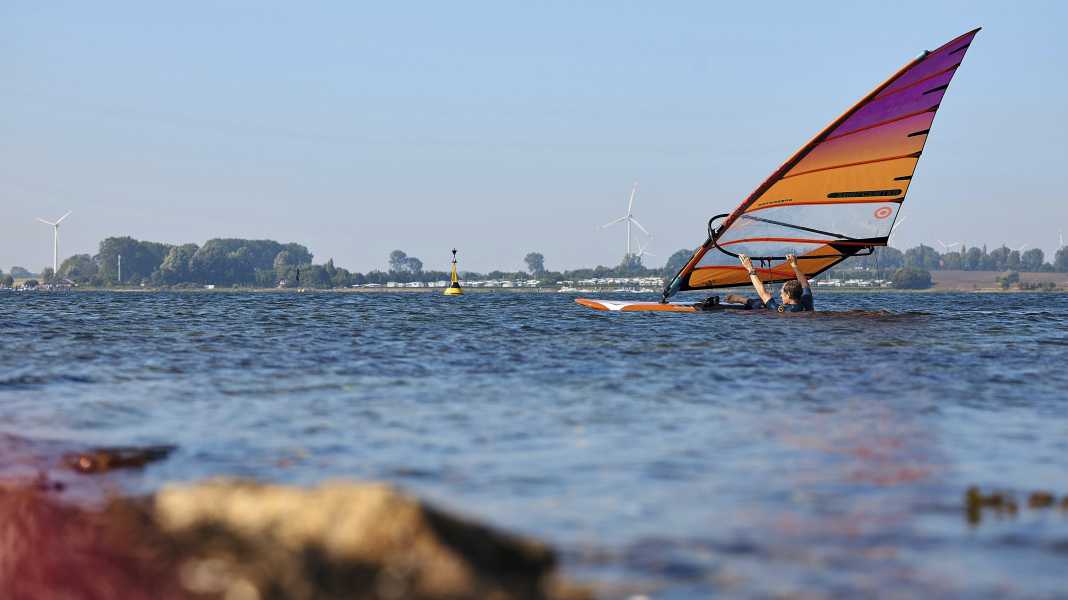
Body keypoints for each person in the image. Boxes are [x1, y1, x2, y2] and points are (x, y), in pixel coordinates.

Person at [724, 253, 814, 313]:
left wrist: (750, 269)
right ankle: (739, 299)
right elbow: (805, 284)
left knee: (763, 305)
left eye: (782, 293)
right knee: (764, 304)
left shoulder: (784, 310)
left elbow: (763, 294)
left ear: (789, 294)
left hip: (771, 313)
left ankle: (738, 299)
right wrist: (794, 265)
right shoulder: (807, 302)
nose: (780, 295)